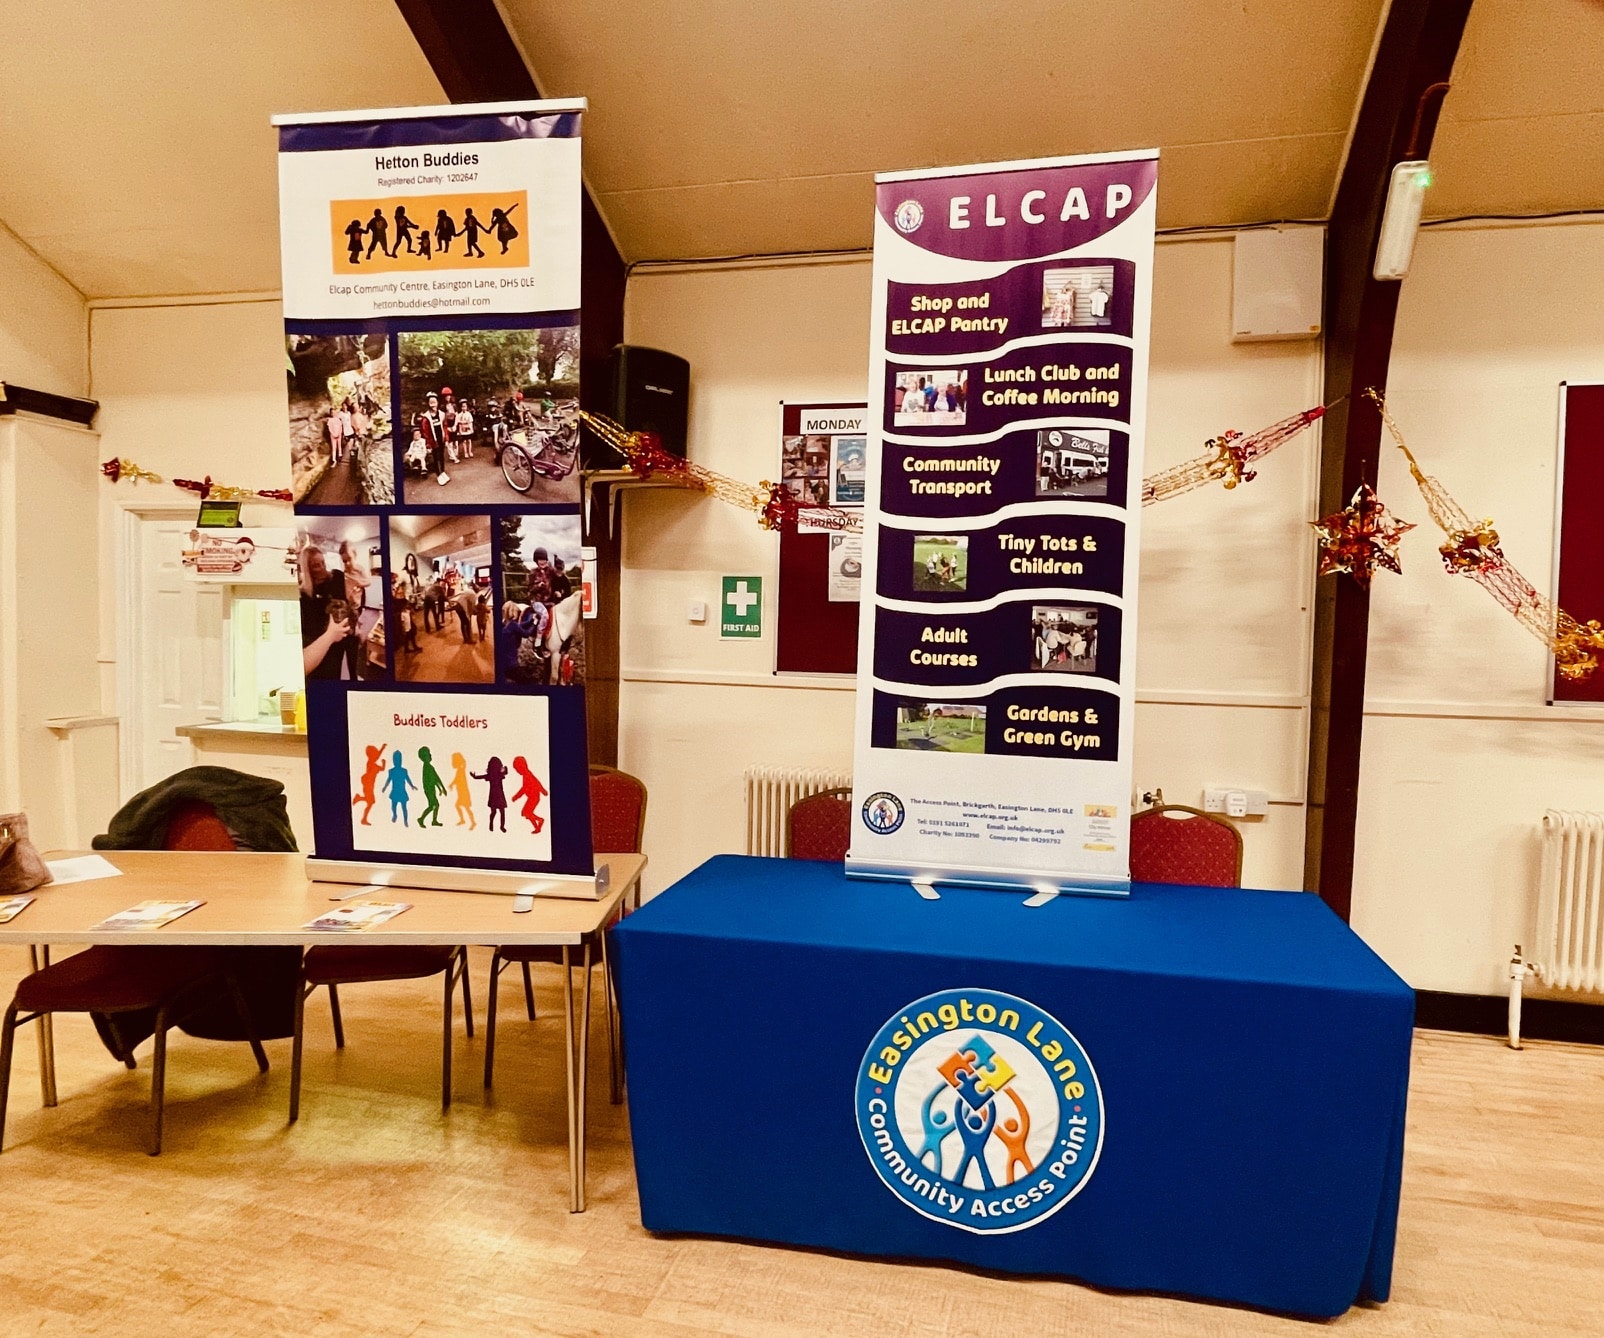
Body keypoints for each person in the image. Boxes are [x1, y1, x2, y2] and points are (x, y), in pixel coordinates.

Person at [299, 545, 351, 679]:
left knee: (335, 674)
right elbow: (310, 626)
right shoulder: (304, 594)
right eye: (316, 565)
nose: (322, 567)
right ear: (308, 568)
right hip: (319, 643)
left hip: (338, 640)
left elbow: (344, 604)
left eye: (323, 562)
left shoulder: (336, 577)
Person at [338, 539, 370, 680]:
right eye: (344, 561)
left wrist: (358, 583)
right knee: (348, 640)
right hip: (347, 611)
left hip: (357, 610)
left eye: (349, 559)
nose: (347, 564)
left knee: (354, 642)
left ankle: (354, 676)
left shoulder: (360, 570)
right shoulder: (342, 575)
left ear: (355, 556)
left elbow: (368, 581)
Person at [413, 391, 449, 484]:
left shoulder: (441, 414)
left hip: (441, 438)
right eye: (431, 402)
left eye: (434, 402)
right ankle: (438, 474)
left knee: (441, 456)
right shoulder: (426, 417)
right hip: (433, 440)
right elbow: (425, 432)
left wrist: (446, 438)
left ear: (437, 403)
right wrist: (428, 443)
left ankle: (443, 471)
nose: (433, 405)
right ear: (428, 404)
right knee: (435, 457)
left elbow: (445, 426)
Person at [510, 756, 547, 834]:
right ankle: (537, 827)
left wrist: (516, 796)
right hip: (532, 797)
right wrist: (543, 790)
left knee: (527, 813)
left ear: (522, 767)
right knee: (526, 813)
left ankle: (540, 820)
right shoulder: (526, 774)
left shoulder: (527, 775)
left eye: (517, 769)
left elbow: (525, 788)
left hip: (534, 797)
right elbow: (536, 782)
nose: (517, 772)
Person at [351, 743, 386, 826]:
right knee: (370, 802)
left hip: (369, 785)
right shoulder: (371, 763)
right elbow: (382, 768)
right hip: (368, 785)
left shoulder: (372, 763)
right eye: (375, 754)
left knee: (370, 801)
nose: (377, 756)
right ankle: (364, 818)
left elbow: (381, 767)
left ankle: (359, 798)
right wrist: (383, 762)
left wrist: (382, 749)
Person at [472, 756, 509, 832]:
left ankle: (495, 824)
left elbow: (505, 771)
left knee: (495, 812)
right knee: (499, 812)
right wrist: (475, 777)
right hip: (498, 795)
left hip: (494, 795)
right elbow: (505, 771)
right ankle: (499, 826)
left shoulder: (493, 775)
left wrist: (474, 777)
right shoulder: (497, 775)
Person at [384, 749, 416, 826]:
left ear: (401, 760)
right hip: (395, 791)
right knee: (393, 806)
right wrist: (385, 787)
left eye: (399, 760)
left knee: (404, 807)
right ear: (393, 761)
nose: (398, 761)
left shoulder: (404, 771)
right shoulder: (392, 771)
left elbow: (407, 779)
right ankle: (395, 815)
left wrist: (412, 786)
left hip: (402, 791)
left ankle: (405, 820)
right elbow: (389, 780)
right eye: (396, 760)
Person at [417, 746, 446, 827]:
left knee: (435, 805)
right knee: (432, 805)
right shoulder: (427, 768)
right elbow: (434, 780)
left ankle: (433, 821)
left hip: (431, 789)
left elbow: (436, 778)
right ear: (423, 758)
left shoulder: (430, 767)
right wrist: (441, 788)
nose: (430, 755)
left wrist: (441, 788)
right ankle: (421, 819)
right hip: (429, 790)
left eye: (429, 753)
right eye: (427, 754)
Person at [449, 753, 476, 829]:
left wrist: (462, 760)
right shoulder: (459, 771)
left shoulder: (461, 770)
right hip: (460, 792)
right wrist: (451, 784)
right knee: (458, 806)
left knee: (466, 808)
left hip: (464, 793)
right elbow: (456, 780)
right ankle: (463, 820)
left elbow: (456, 779)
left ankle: (473, 822)